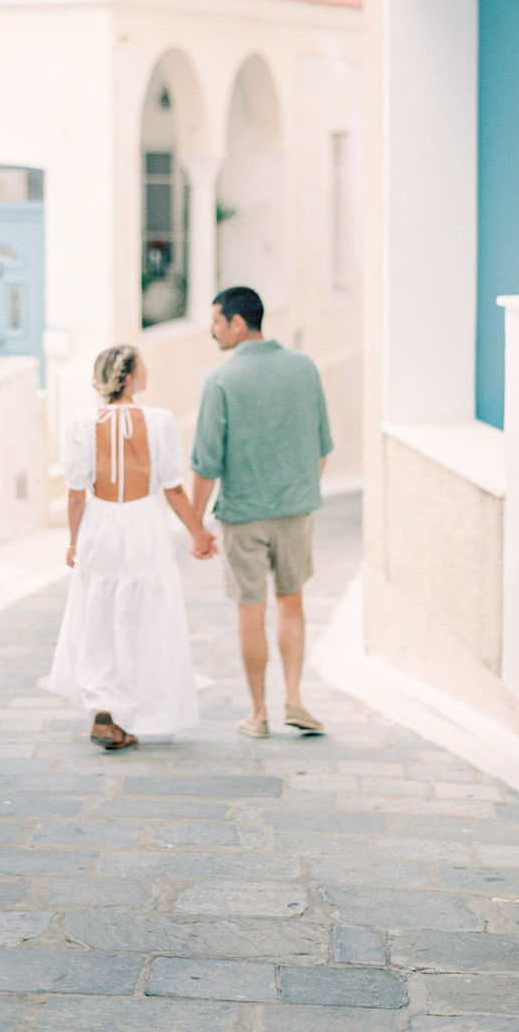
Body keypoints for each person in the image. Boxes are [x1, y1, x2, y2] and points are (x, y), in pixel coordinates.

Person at [46, 345, 216, 750]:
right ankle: (131, 712)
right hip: (144, 526)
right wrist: (199, 532)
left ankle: (105, 711)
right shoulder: (159, 422)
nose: (148, 372)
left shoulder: (82, 424)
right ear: (127, 376)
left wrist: (74, 541)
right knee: (141, 619)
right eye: (142, 367)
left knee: (99, 618)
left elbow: (75, 494)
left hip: (100, 525)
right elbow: (173, 489)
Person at [190, 287, 333, 739]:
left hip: (243, 515)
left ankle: (258, 714)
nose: (212, 330)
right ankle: (294, 698)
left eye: (216, 321)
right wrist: (298, 489)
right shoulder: (304, 368)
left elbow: (206, 463)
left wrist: (196, 526)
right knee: (292, 602)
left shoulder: (221, 380)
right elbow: (322, 446)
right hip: (295, 509)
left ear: (237, 323)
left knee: (250, 611)